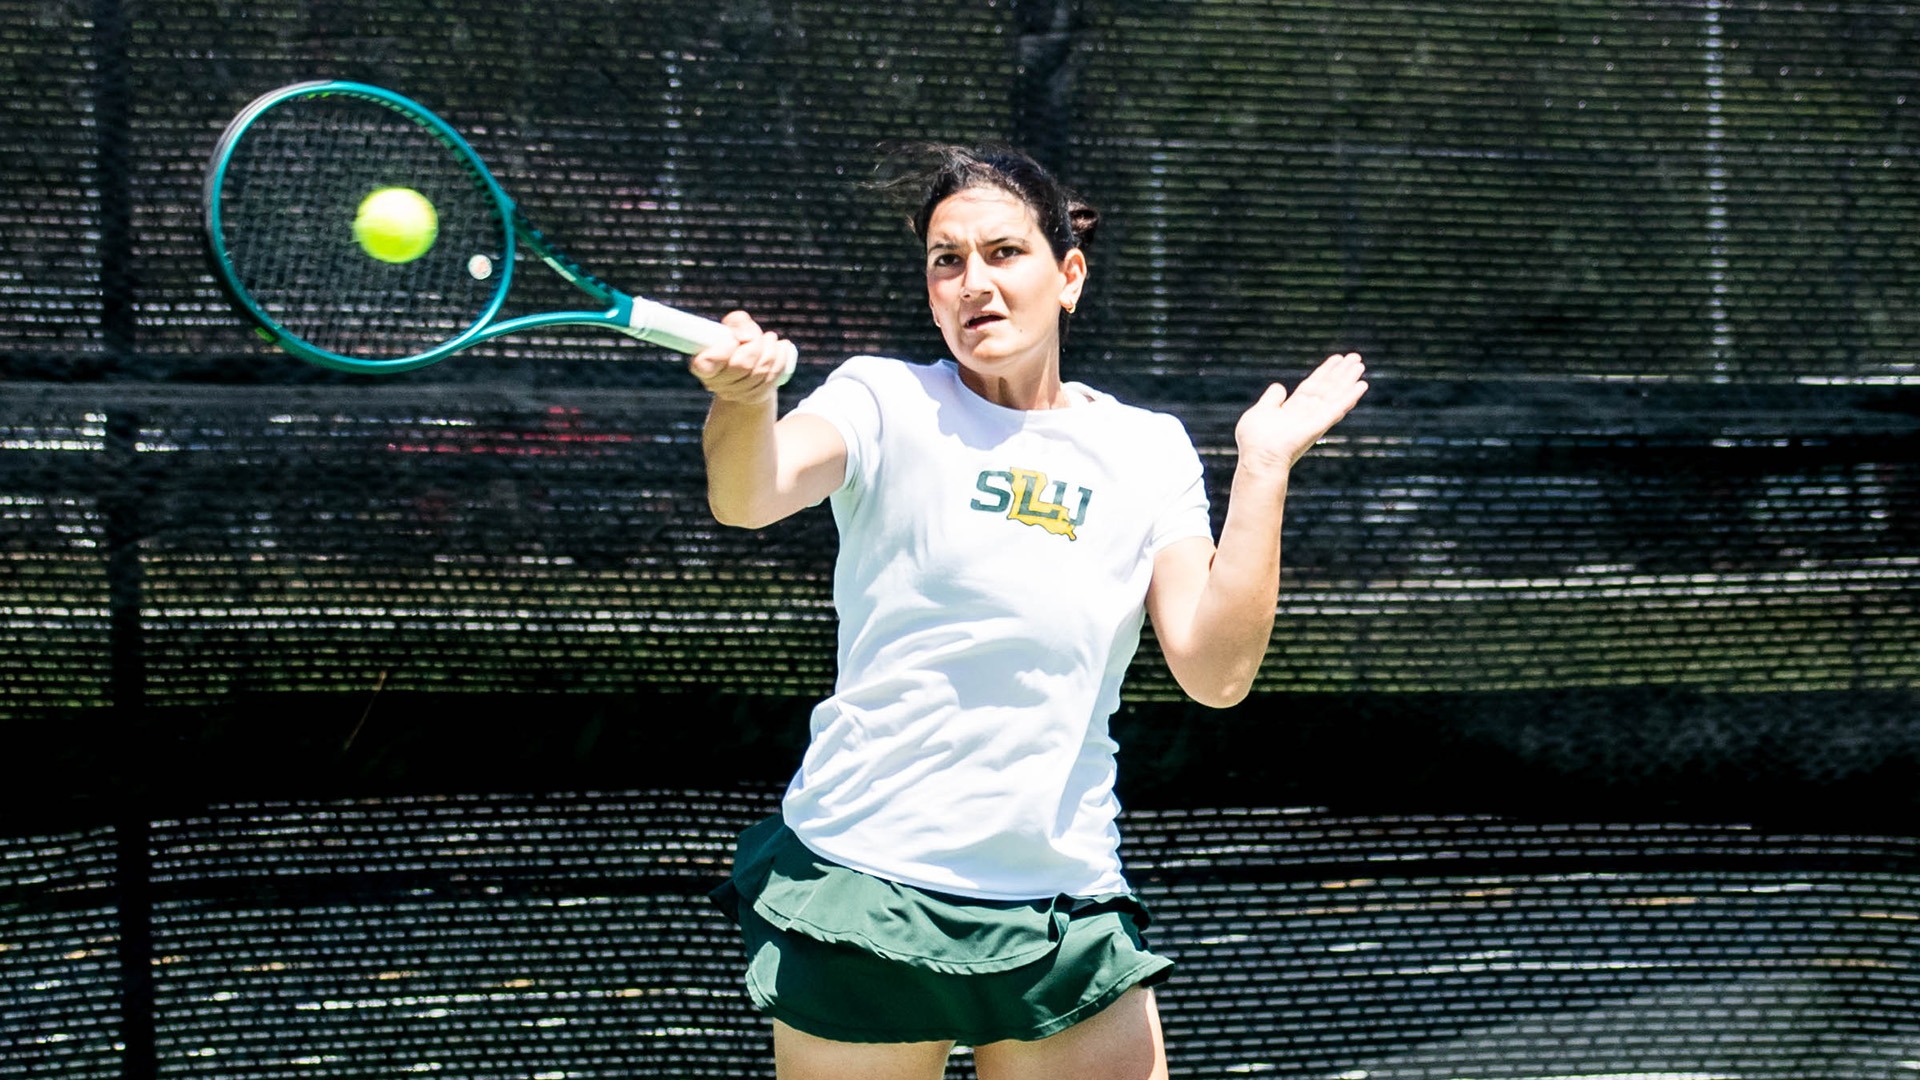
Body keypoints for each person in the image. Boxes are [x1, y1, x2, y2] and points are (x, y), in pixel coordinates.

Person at [689, 144, 1368, 1080]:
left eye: (1005, 253)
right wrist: (745, 401)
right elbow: (749, 491)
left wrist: (1262, 468)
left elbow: (1216, 673)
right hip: (865, 876)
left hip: (1063, 898)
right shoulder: (884, 399)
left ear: (1069, 275)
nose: (975, 283)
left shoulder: (1148, 449)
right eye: (947, 260)